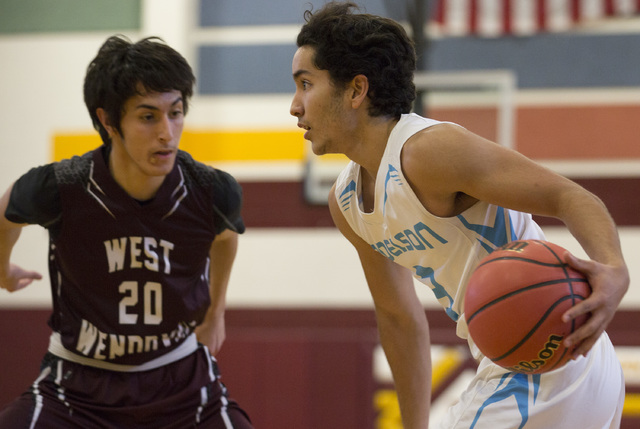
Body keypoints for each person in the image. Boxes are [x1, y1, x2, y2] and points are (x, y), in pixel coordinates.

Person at [290, 2, 629, 428]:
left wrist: (614, 269)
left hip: (548, 362)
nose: (295, 106)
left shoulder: (427, 151)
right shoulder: (346, 202)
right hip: (531, 361)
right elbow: (398, 317)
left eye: (306, 84)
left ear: (356, 90)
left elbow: (570, 197)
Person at [0, 35, 253, 428]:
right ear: (108, 120)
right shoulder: (62, 187)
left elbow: (225, 237)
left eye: (176, 112)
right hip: (76, 388)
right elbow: (5, 213)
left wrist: (216, 310)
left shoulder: (212, 191)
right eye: (148, 116)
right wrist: (2, 269)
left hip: (182, 385)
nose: (167, 133)